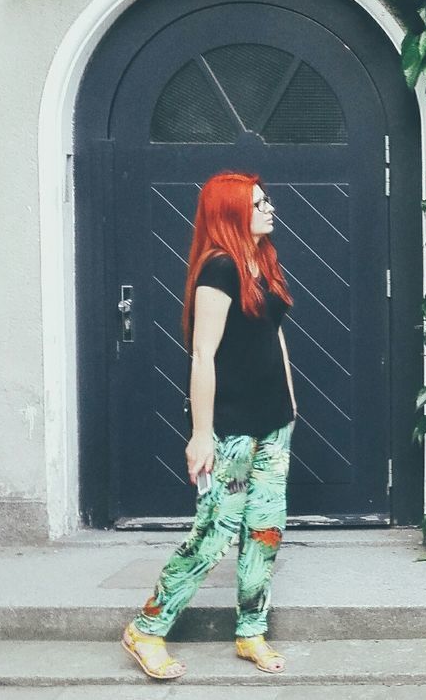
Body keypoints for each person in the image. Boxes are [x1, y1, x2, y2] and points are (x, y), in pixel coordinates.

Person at [121, 172, 297, 681]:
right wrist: (202, 434)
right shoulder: (219, 270)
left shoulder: (260, 262)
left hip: (273, 424)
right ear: (231, 213)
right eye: (259, 203)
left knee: (265, 532)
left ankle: (250, 632)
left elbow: (275, 338)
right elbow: (202, 355)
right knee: (214, 535)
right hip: (233, 429)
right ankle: (147, 628)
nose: (270, 209)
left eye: (267, 200)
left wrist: (291, 402)